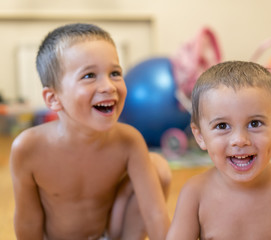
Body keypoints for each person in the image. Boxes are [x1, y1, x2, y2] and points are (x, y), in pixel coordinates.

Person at [10, 23, 172, 240]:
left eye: (115, 73)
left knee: (158, 167)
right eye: (89, 76)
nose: (108, 86)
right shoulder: (28, 148)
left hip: (106, 234)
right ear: (53, 98)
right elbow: (28, 220)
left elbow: (154, 213)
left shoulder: (129, 141)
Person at [166, 61, 271, 240]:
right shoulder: (194, 193)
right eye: (222, 125)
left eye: (254, 123)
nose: (239, 140)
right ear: (199, 136)